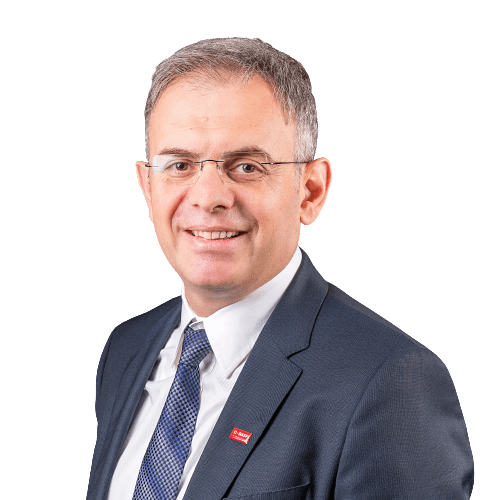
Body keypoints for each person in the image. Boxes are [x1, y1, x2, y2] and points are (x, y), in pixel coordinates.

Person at [87, 37, 474, 500]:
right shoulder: (126, 348)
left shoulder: (391, 382)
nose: (208, 197)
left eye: (247, 166)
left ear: (310, 191)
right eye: (180, 164)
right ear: (147, 187)